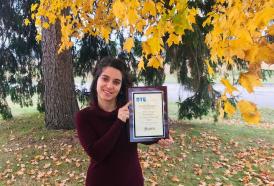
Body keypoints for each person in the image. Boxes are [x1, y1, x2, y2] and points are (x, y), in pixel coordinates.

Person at [75, 56, 173, 186]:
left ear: (121, 86)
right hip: (100, 181)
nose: (109, 86)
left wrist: (159, 136)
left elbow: (141, 135)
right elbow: (97, 153)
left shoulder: (131, 108)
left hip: (131, 179)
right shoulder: (84, 116)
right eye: (105, 79)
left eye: (116, 82)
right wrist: (119, 121)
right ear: (96, 80)